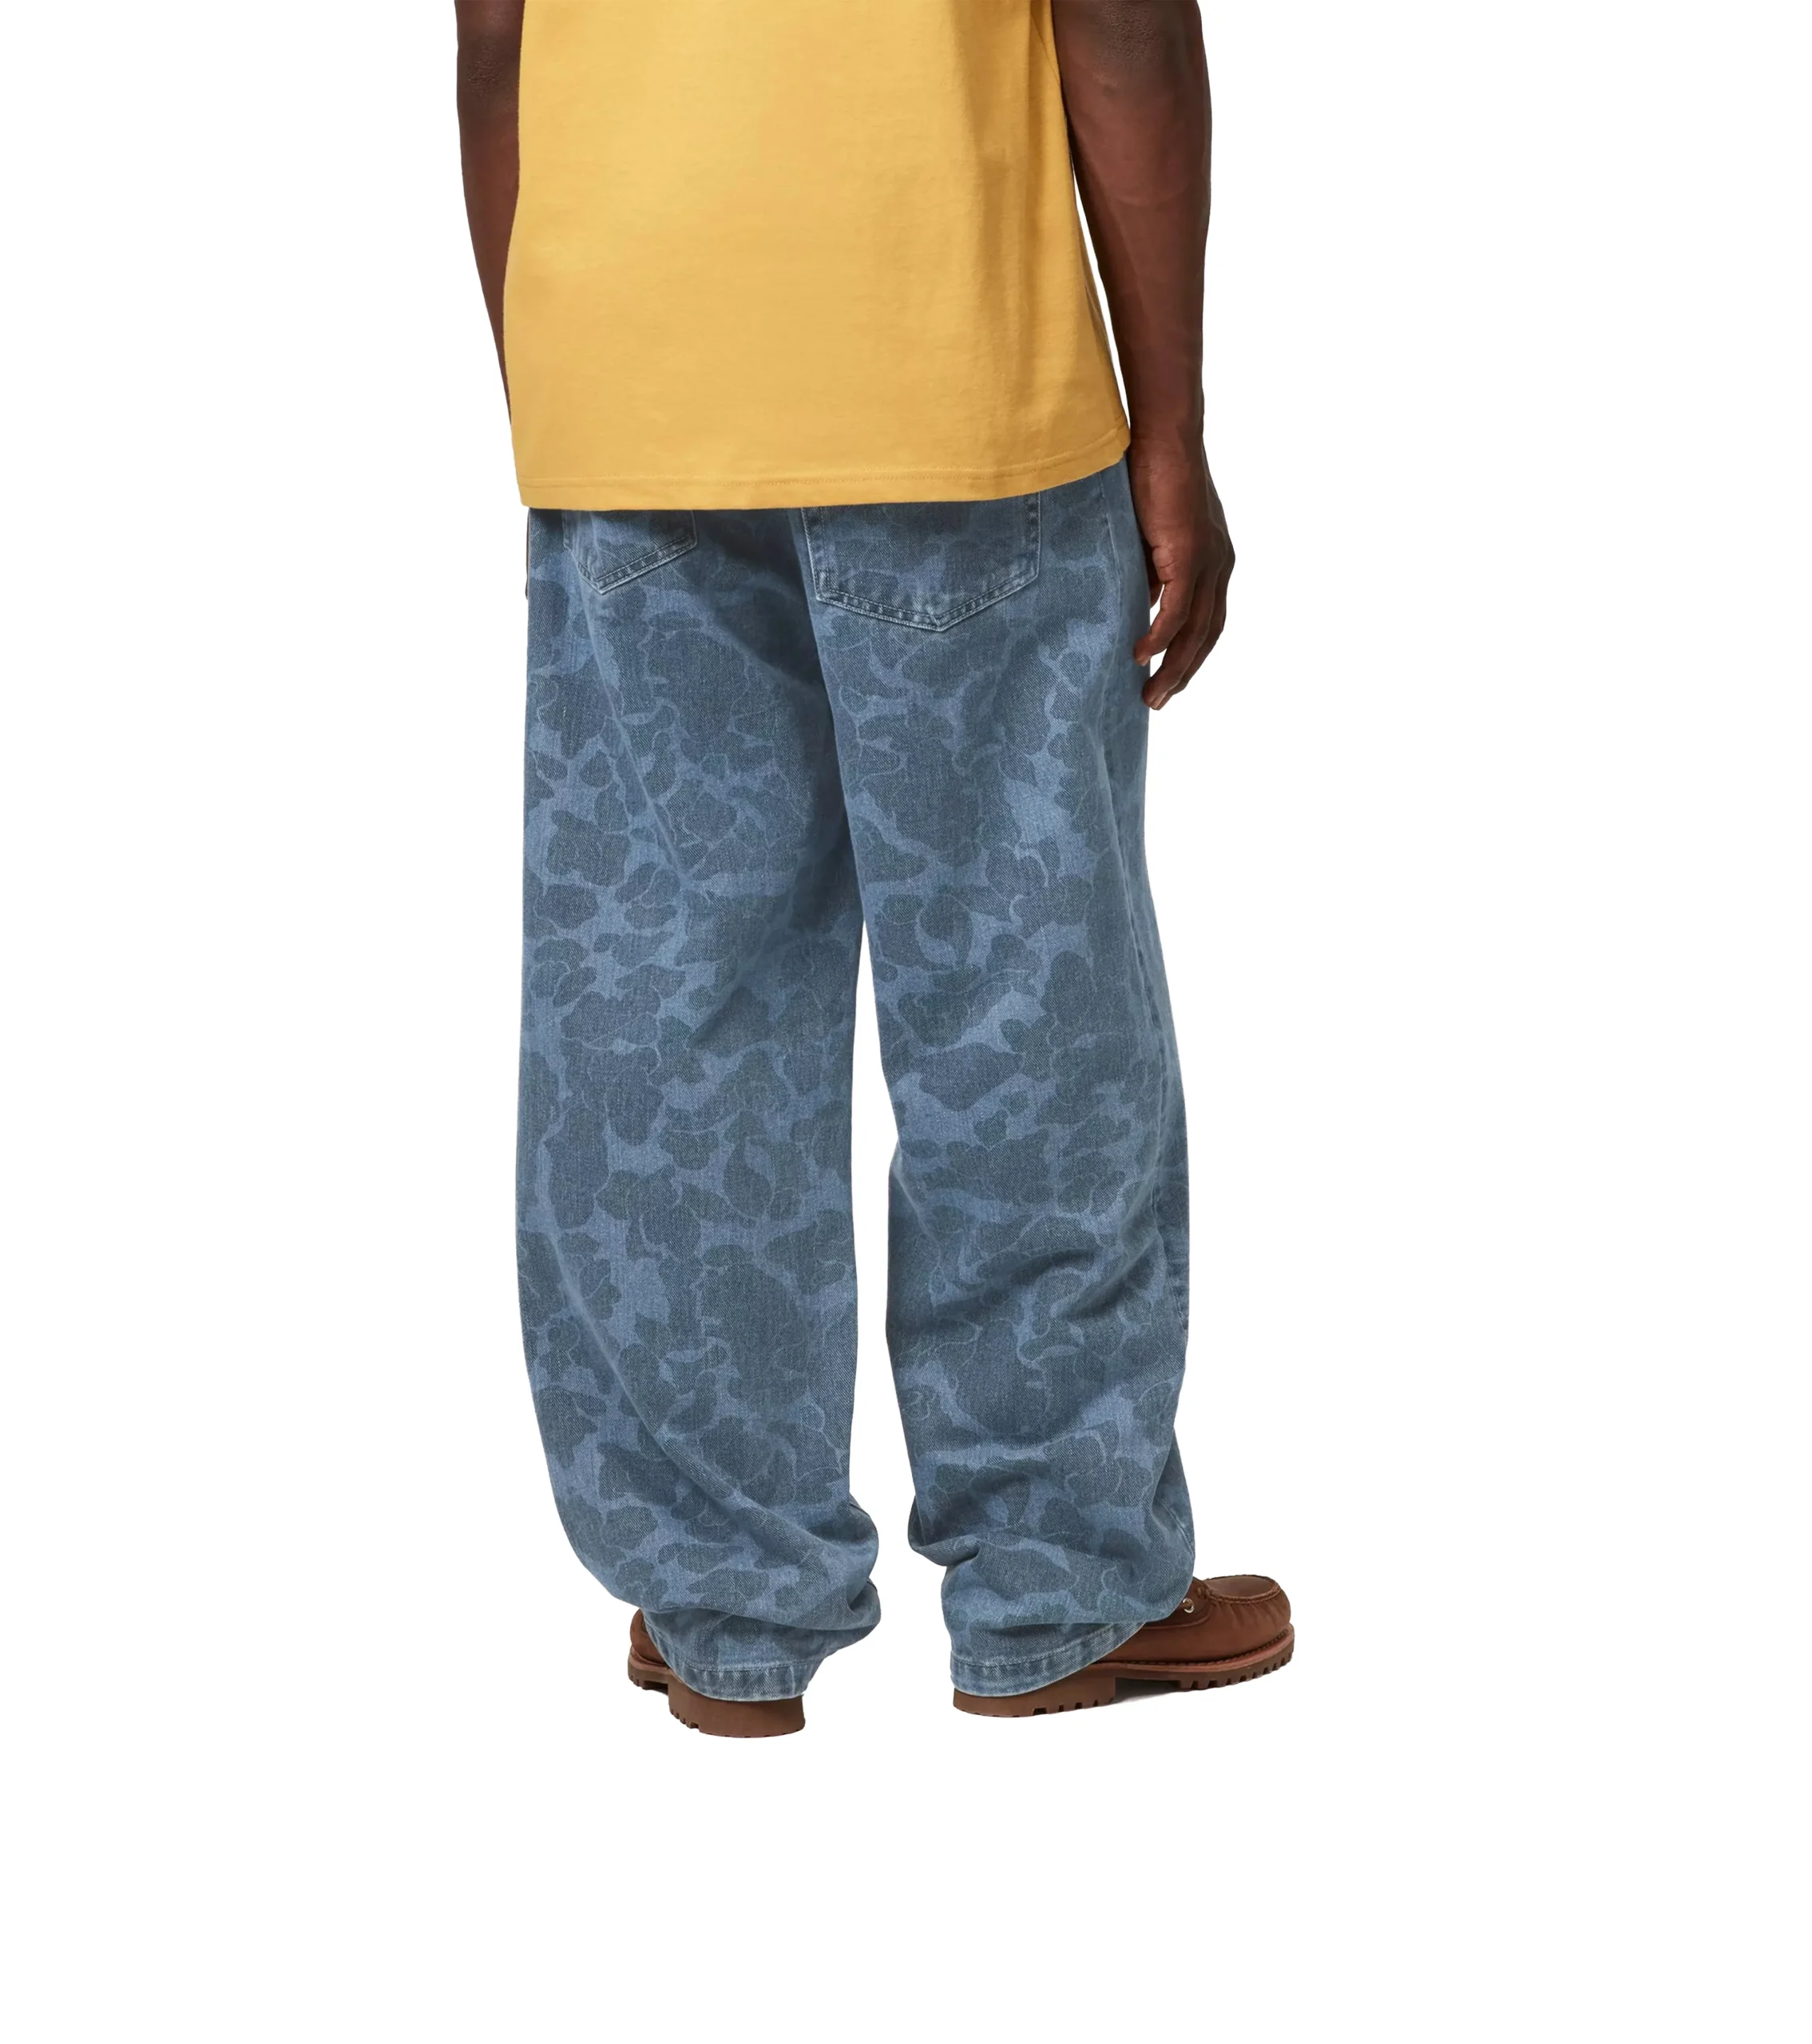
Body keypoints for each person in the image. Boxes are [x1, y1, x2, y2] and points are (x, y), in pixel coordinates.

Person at [454, 0, 1290, 1735]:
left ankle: (721, 1601)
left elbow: (493, 31)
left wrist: (565, 389)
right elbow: (1122, 23)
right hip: (953, 355)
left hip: (633, 363)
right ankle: (1060, 1584)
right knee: (1021, 990)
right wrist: (1171, 426)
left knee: (666, 1009)